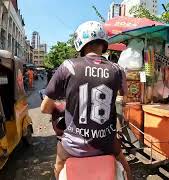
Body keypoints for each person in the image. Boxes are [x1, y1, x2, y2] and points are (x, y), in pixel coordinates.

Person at [40, 21, 131, 179]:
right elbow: (125, 97)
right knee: (123, 163)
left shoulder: (68, 66)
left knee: (59, 165)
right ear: (104, 43)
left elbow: (44, 108)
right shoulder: (117, 69)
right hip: (107, 143)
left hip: (73, 146)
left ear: (79, 43)